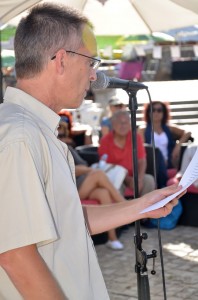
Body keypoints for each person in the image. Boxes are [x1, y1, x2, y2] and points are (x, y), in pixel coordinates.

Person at [0, 3, 185, 300]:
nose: (93, 76)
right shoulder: (20, 135)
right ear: (61, 60)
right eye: (91, 62)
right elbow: (15, 254)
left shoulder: (30, 129)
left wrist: (143, 205)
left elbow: (65, 221)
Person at [98, 110, 155, 196]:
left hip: (134, 175)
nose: (123, 126)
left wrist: (139, 179)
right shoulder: (105, 141)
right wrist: (127, 179)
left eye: (126, 122)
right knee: (114, 185)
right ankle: (124, 208)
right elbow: (107, 167)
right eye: (120, 122)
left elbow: (142, 160)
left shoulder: (136, 137)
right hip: (115, 177)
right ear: (113, 124)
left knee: (149, 180)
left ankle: (146, 208)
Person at [138, 101, 192, 170]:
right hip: (152, 166)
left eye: (159, 110)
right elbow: (142, 148)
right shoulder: (143, 129)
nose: (156, 113)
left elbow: (187, 133)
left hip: (169, 163)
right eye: (152, 110)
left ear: (164, 112)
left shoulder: (168, 128)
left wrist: (178, 145)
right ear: (148, 112)